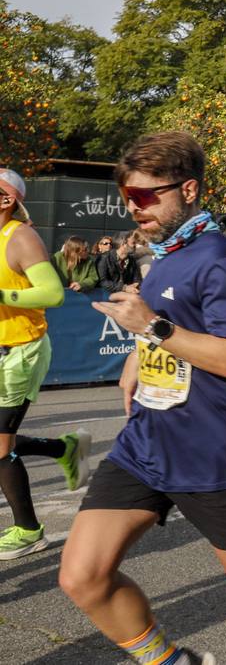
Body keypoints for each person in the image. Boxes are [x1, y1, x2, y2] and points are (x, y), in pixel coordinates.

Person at [59, 133, 226, 664]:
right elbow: (169, 325)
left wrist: (152, 327)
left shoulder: (219, 261)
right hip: (146, 444)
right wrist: (138, 357)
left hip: (212, 450)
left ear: (187, 189)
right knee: (82, 575)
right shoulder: (167, 255)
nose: (134, 209)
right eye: (127, 198)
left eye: (145, 197)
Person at [0, 168, 91, 560]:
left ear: (6, 200)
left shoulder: (20, 237)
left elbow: (53, 293)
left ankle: (29, 530)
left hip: (21, 351)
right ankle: (63, 448)